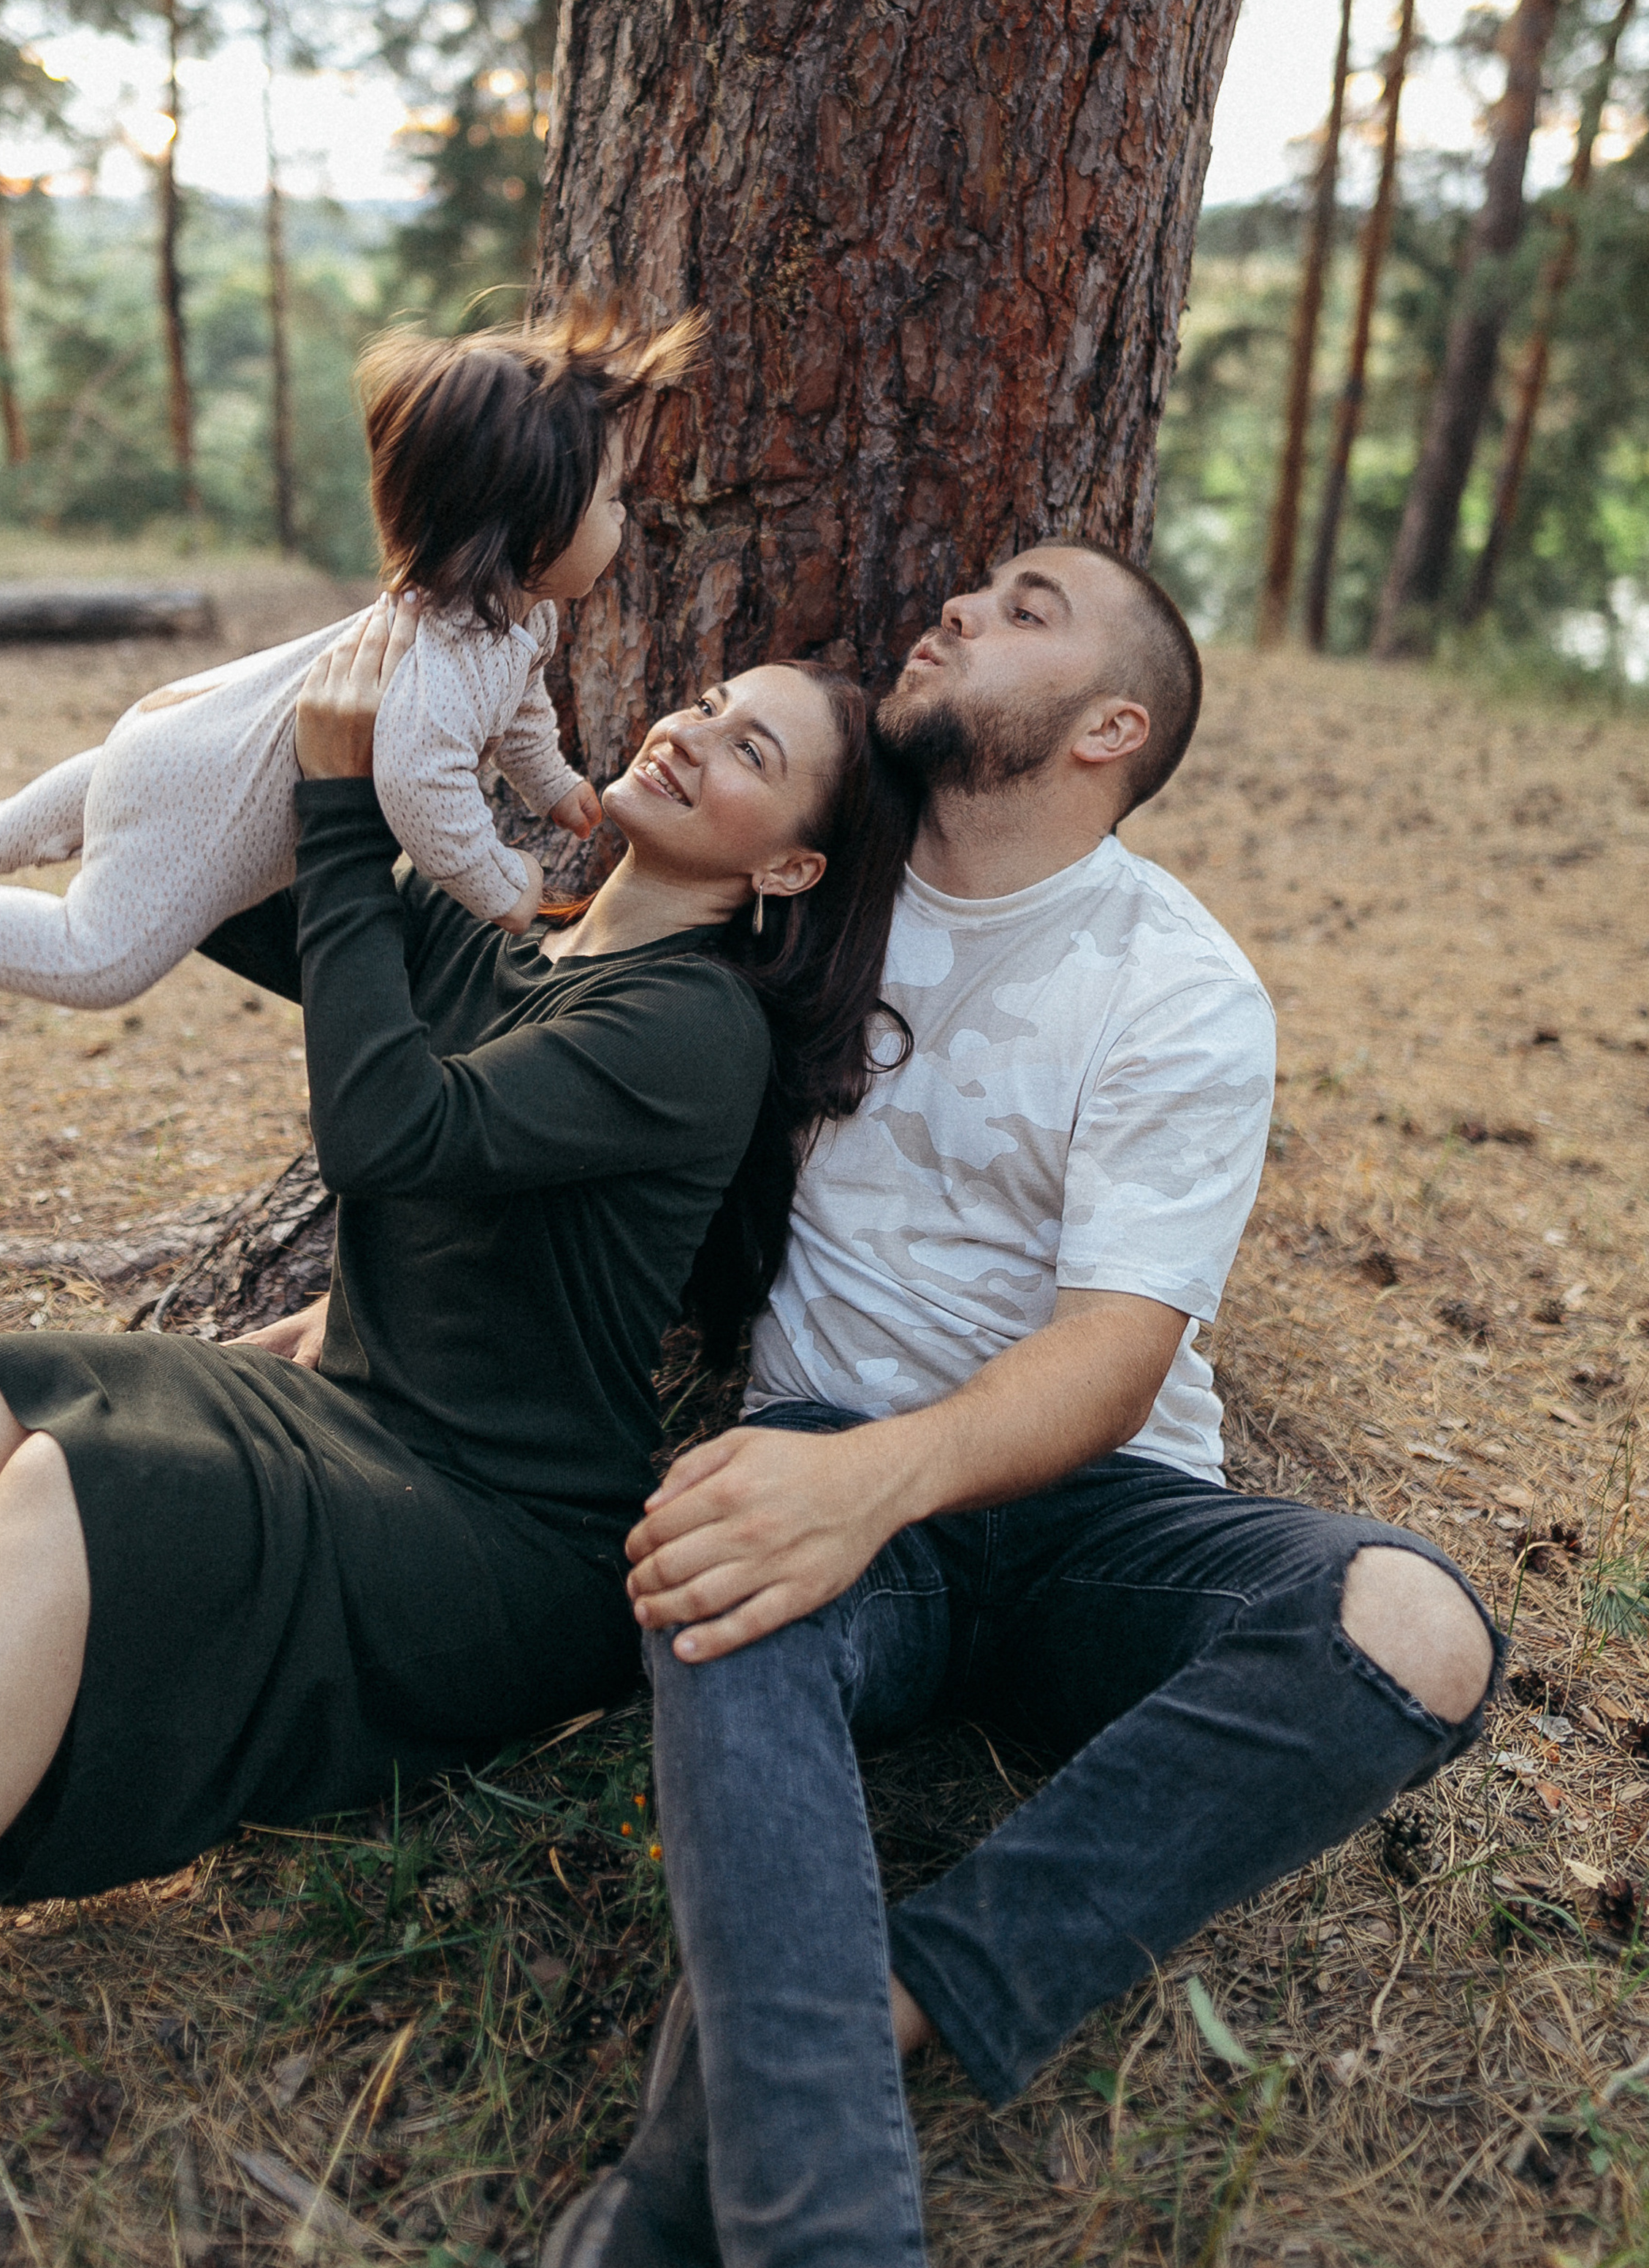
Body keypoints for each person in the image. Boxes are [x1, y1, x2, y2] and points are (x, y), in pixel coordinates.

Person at [0, 608, 915, 2069]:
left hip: (502, 1531)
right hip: (365, 1419)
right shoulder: (521, 941)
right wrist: (246, 733)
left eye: (748, 746)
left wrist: (333, 802)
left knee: (84, 1492)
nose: (688, 728)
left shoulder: (692, 1031)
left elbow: (392, 1134)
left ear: (788, 868)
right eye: (703, 698)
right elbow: (236, 889)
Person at [547, 540, 1502, 2268]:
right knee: (721, 1556)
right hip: (826, 1457)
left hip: (1089, 1522)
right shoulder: (812, 874)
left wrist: (881, 1485)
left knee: (1410, 1624)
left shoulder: (1174, 985)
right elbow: (569, 1048)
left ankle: (879, 2010)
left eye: (1025, 610)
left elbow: (1110, 1353)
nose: (959, 608)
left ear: (1105, 727)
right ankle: (824, 2226)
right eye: (978, 589)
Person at [0, 303, 694, 1026]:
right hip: (198, 800)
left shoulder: (513, 624)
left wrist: (553, 788)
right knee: (100, 959)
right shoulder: (448, 660)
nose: (625, 518)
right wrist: (502, 885)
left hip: (180, 739)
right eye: (613, 499)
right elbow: (421, 785)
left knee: (97, 802)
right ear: (530, 523)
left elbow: (522, 713)